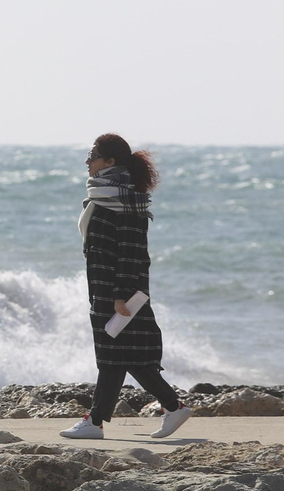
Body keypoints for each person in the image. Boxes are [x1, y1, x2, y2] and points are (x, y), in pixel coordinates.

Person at [60, 134, 194, 440]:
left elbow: (133, 252)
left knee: (114, 357)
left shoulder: (126, 202)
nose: (87, 161)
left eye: (92, 156)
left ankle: (96, 422)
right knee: (122, 358)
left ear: (110, 162)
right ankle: (173, 407)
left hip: (119, 294)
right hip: (103, 288)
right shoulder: (103, 198)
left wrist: (121, 294)